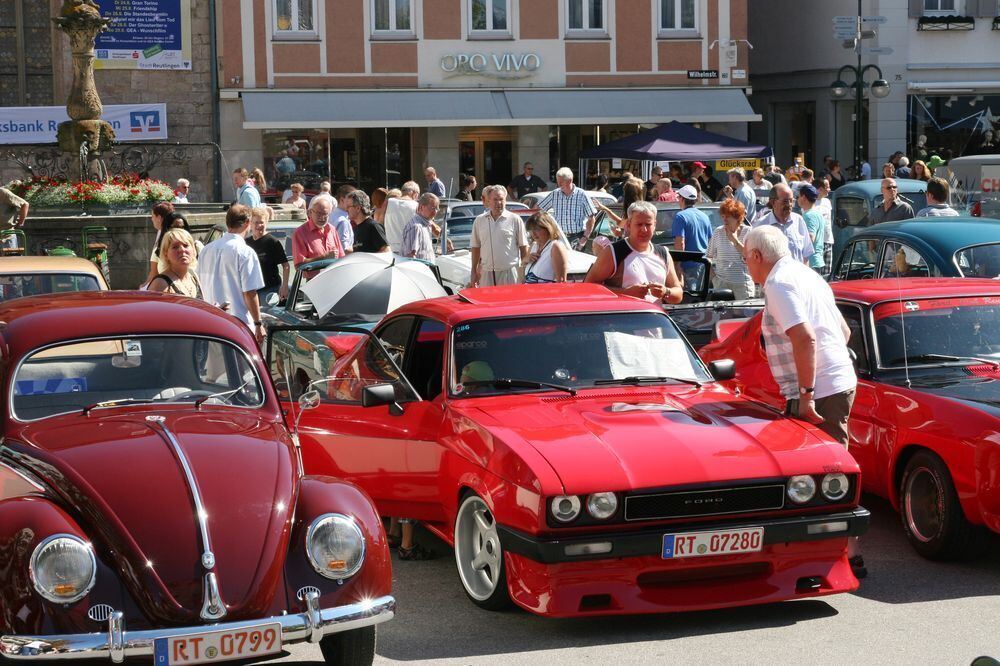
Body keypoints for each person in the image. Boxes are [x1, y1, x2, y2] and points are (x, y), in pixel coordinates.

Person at [742, 224, 862, 575]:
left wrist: (806, 395)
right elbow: (843, 331)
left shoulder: (779, 283)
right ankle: (826, 553)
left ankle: (846, 556)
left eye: (746, 259)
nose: (747, 267)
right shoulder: (807, 275)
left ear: (758, 256)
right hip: (834, 382)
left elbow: (805, 338)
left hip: (820, 389)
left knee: (831, 473)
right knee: (823, 470)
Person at [585, 201, 683, 304]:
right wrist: (625, 292)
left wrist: (665, 292)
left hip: (654, 318)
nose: (644, 229)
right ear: (628, 224)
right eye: (639, 224)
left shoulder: (663, 254)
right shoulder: (614, 252)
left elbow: (678, 294)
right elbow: (589, 287)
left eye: (648, 224)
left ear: (654, 225)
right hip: (622, 318)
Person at [198, 205, 266, 342]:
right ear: (247, 223)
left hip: (209, 321)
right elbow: (250, 292)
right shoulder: (245, 252)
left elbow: (199, 285)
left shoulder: (206, 250)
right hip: (237, 325)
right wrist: (258, 323)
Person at [469, 185, 528, 287]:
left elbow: (523, 247)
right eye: (495, 199)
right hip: (486, 273)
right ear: (488, 201)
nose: (498, 203)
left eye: (501, 199)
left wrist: (525, 271)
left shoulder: (515, 219)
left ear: (506, 200)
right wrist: (474, 270)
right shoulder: (479, 220)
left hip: (509, 273)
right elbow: (476, 247)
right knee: (487, 302)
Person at [752, 183, 814, 264]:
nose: (789, 205)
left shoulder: (799, 221)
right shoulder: (761, 226)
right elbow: (753, 258)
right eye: (785, 201)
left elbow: (805, 255)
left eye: (791, 201)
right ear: (773, 202)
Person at [537, 167, 597, 251]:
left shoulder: (581, 194)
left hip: (577, 238)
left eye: (561, 182)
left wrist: (584, 239)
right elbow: (538, 211)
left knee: (576, 263)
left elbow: (591, 218)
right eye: (558, 182)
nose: (559, 185)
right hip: (559, 238)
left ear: (570, 180)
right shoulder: (554, 194)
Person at [706, 199, 754, 300]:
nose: (724, 220)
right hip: (721, 284)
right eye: (723, 216)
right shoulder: (718, 232)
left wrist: (735, 240)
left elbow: (751, 257)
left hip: (743, 285)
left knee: (744, 315)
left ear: (737, 217)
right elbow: (708, 257)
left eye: (728, 216)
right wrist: (715, 279)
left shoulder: (749, 232)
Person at [672, 184, 714, 286]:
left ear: (682, 199)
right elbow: (711, 242)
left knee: (689, 299)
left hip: (688, 266)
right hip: (703, 265)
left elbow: (680, 243)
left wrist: (677, 267)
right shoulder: (704, 216)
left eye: (679, 197)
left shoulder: (680, 216)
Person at [292, 196, 345, 275]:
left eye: (325, 214)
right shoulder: (300, 232)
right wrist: (324, 257)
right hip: (313, 282)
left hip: (334, 278)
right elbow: (299, 265)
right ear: (311, 212)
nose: (322, 217)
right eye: (319, 213)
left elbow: (341, 257)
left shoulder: (332, 230)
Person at [248, 205, 290, 303]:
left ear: (266, 223)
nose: (259, 225)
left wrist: (284, 286)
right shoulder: (246, 243)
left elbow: (286, 266)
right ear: (250, 223)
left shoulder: (272, 242)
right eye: (256, 222)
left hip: (269, 291)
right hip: (251, 291)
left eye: (261, 222)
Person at [147, 228, 203, 299]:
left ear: (193, 250)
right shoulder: (160, 283)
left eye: (186, 245)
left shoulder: (193, 277)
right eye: (175, 247)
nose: (182, 250)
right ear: (166, 254)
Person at [524, 212, 569, 283]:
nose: (533, 233)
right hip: (529, 292)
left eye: (537, 229)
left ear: (548, 228)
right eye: (531, 229)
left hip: (547, 293)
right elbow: (524, 267)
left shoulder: (555, 246)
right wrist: (526, 259)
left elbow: (561, 280)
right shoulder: (534, 245)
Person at [142, 201, 176, 287]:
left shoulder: (168, 237)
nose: (151, 219)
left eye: (153, 216)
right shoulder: (161, 233)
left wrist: (144, 287)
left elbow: (154, 273)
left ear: (159, 218)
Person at [401, 193, 439, 262]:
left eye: (437, 209)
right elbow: (410, 256)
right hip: (419, 270)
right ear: (421, 207)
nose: (435, 212)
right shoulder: (415, 227)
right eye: (433, 208)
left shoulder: (426, 224)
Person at [384, 181, 420, 253]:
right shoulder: (416, 206)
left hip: (390, 249)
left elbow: (378, 221)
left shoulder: (388, 202)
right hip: (410, 251)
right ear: (415, 194)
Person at [798, 184, 826, 274]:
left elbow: (810, 237)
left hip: (811, 263)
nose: (797, 199)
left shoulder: (809, 215)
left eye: (798, 196)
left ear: (804, 198)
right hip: (816, 261)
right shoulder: (817, 214)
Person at [816, 178, 834, 276]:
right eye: (827, 187)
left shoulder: (827, 201)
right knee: (817, 273)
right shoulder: (811, 203)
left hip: (828, 240)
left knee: (827, 273)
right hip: (817, 243)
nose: (829, 189)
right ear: (819, 189)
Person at [0, 186, 29, 250]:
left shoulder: (3, 193)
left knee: (10, 259)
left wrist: (21, 223)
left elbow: (25, 204)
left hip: (6, 238)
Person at [330, 184, 356, 253]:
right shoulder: (343, 221)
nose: (355, 203)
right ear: (342, 200)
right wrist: (362, 250)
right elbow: (344, 249)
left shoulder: (332, 214)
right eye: (352, 200)